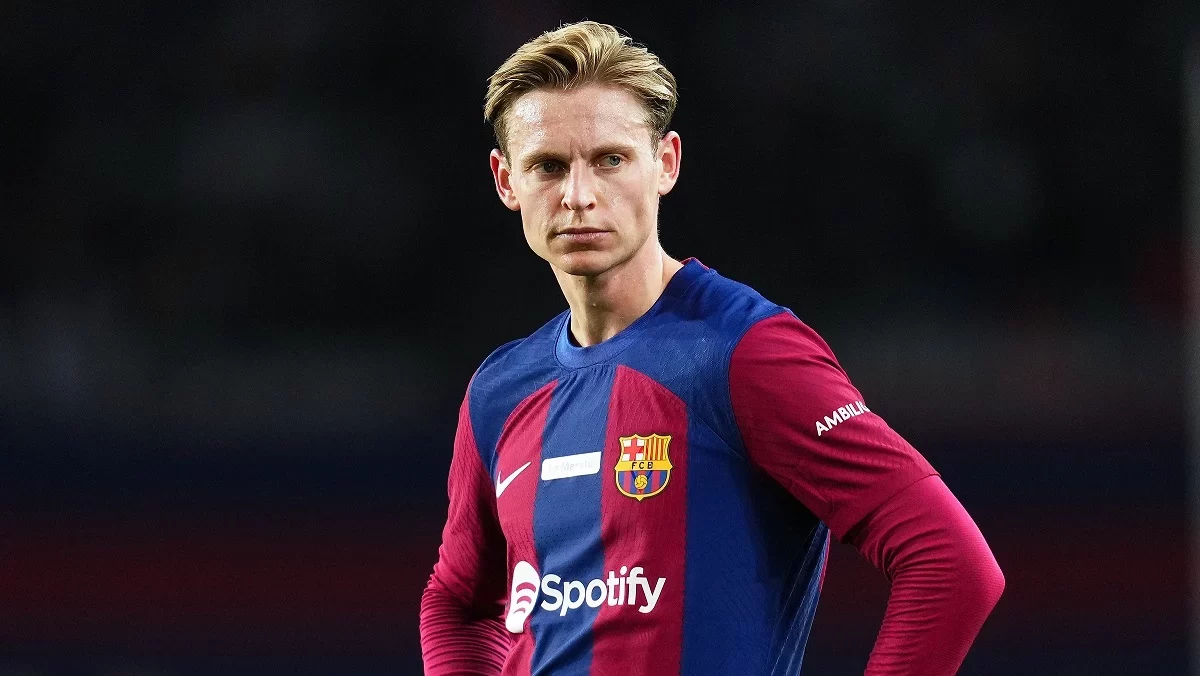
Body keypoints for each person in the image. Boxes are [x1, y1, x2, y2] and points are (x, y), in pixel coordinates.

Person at [420, 20, 1004, 676]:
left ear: (666, 163)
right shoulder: (501, 391)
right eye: (548, 166)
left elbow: (951, 562)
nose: (579, 196)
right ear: (506, 180)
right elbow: (458, 600)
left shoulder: (744, 351)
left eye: (611, 160)